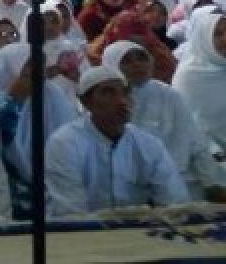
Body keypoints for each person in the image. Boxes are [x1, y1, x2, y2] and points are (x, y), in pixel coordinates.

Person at [44, 66, 188, 217]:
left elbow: (174, 203)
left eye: (125, 93)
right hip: (79, 235)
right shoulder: (65, 142)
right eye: (108, 93)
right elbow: (70, 211)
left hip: (137, 232)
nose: (121, 101)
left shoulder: (148, 144)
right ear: (86, 102)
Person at [102, 40, 226, 202]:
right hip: (125, 188)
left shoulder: (168, 95)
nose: (137, 65)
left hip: (180, 181)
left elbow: (196, 142)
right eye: (126, 61)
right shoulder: (102, 100)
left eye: (142, 58)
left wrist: (212, 183)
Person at [172, 11, 226, 150]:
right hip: (209, 154)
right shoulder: (189, 77)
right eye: (218, 34)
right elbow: (187, 125)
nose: (225, 38)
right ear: (204, 39)